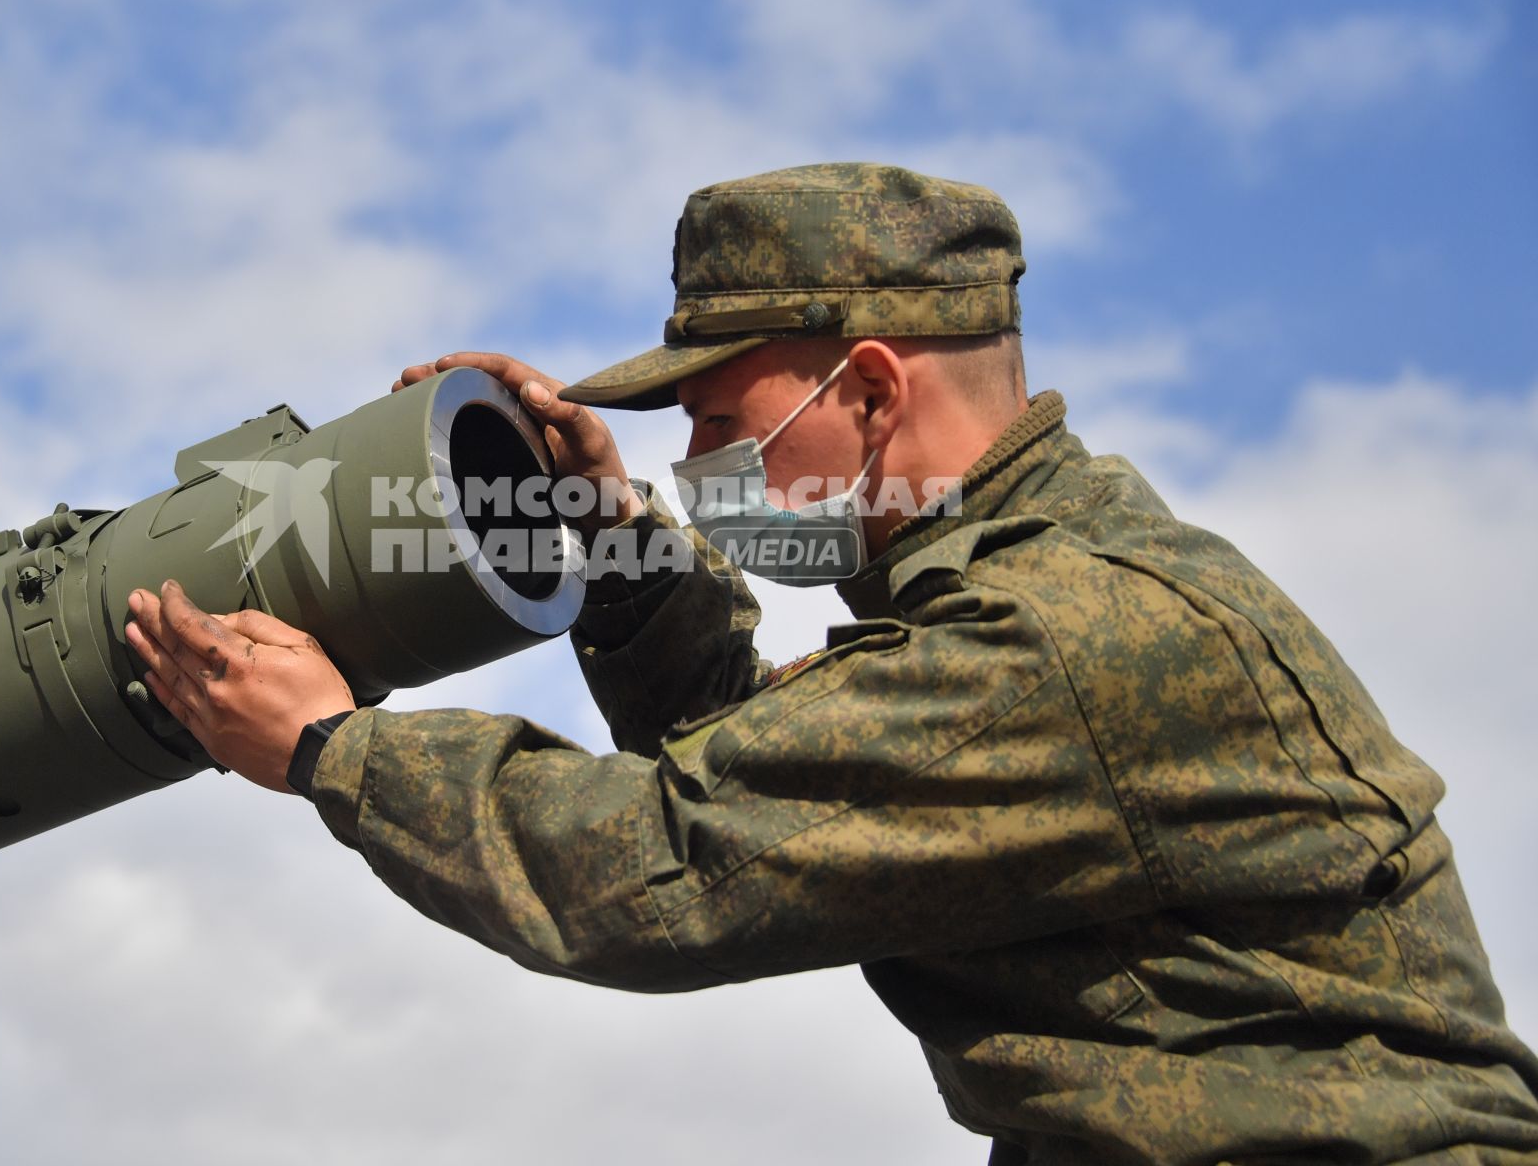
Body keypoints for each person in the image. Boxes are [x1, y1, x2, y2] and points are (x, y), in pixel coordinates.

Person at [123, 163, 1538, 1164]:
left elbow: (673, 865)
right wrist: (615, 536)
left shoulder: (1056, 639)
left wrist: (330, 746)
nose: (695, 464)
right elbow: (784, 781)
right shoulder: (1024, 586)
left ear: (866, 390)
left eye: (720, 419)